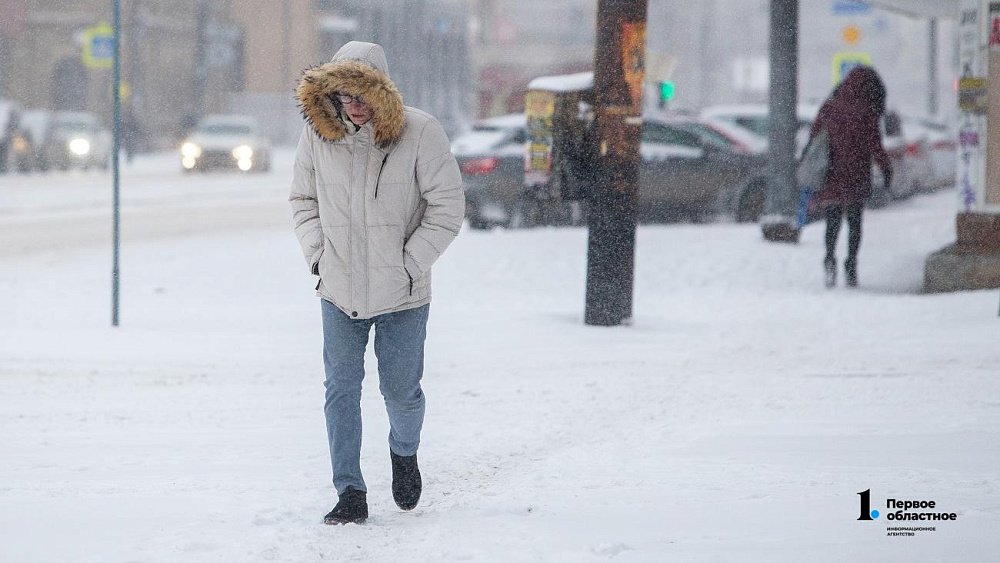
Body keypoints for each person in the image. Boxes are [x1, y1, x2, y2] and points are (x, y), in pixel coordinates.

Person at [289, 41, 464, 525]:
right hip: (338, 289)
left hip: (403, 294)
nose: (354, 105)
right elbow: (303, 199)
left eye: (362, 95)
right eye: (344, 95)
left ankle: (404, 452)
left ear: (381, 91)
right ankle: (350, 491)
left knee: (401, 392)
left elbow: (448, 208)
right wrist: (319, 257)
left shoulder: (420, 132)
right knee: (341, 389)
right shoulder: (317, 136)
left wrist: (408, 264)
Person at [809, 66, 891, 288]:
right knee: (855, 222)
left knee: (832, 220)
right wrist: (886, 170)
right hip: (857, 173)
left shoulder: (829, 107)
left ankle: (829, 258)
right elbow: (876, 146)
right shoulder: (867, 112)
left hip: (832, 172)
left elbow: (814, 137)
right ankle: (851, 264)